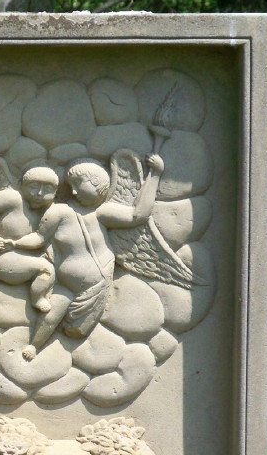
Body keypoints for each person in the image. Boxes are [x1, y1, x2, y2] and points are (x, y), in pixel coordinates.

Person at [13, 153, 164, 361]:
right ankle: (34, 345)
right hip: (65, 284)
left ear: (98, 184)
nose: (73, 191)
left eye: (78, 184)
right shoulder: (59, 211)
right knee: (51, 315)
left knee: (78, 330)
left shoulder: (102, 213)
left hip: (97, 286)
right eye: (71, 186)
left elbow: (138, 215)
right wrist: (14, 243)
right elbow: (39, 238)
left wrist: (155, 174)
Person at [0, 164, 59, 312]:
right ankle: (37, 299)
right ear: (23, 185)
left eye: (47, 189)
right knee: (46, 269)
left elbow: (42, 238)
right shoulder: (12, 197)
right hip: (8, 259)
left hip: (32, 256)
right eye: (34, 186)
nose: (39, 193)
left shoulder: (50, 211)